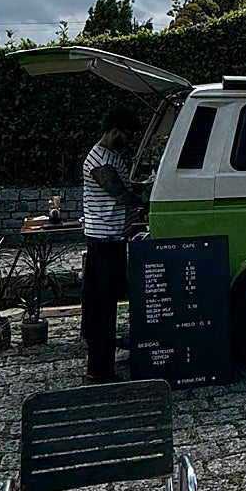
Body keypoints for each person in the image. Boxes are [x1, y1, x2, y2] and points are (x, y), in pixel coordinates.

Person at [81, 107, 145, 382]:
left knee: (109, 301)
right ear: (115, 131)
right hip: (104, 241)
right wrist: (149, 199)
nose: (128, 141)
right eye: (127, 135)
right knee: (103, 306)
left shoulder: (112, 156)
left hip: (115, 238)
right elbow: (119, 194)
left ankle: (106, 357)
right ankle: (99, 369)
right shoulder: (98, 160)